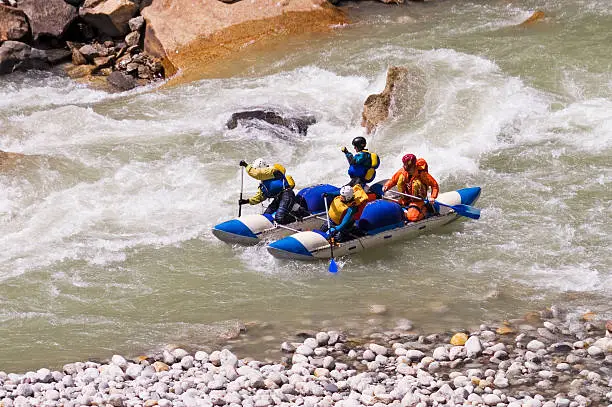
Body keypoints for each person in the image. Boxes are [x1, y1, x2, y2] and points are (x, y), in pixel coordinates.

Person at [238, 158, 306, 224]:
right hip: (278, 198)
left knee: (279, 218)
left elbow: (257, 174)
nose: (255, 170)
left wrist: (246, 165)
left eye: (255, 168)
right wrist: (247, 201)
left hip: (287, 195)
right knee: (265, 217)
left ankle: (298, 218)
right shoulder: (264, 183)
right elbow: (260, 197)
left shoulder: (272, 170)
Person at [382, 154, 439, 222]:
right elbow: (393, 181)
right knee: (388, 209)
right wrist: (387, 186)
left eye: (408, 167)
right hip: (404, 199)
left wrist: (433, 197)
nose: (406, 168)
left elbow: (434, 185)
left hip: (417, 200)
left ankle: (426, 210)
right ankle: (406, 213)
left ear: (414, 165)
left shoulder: (422, 174)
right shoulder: (402, 172)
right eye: (405, 165)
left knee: (412, 217)